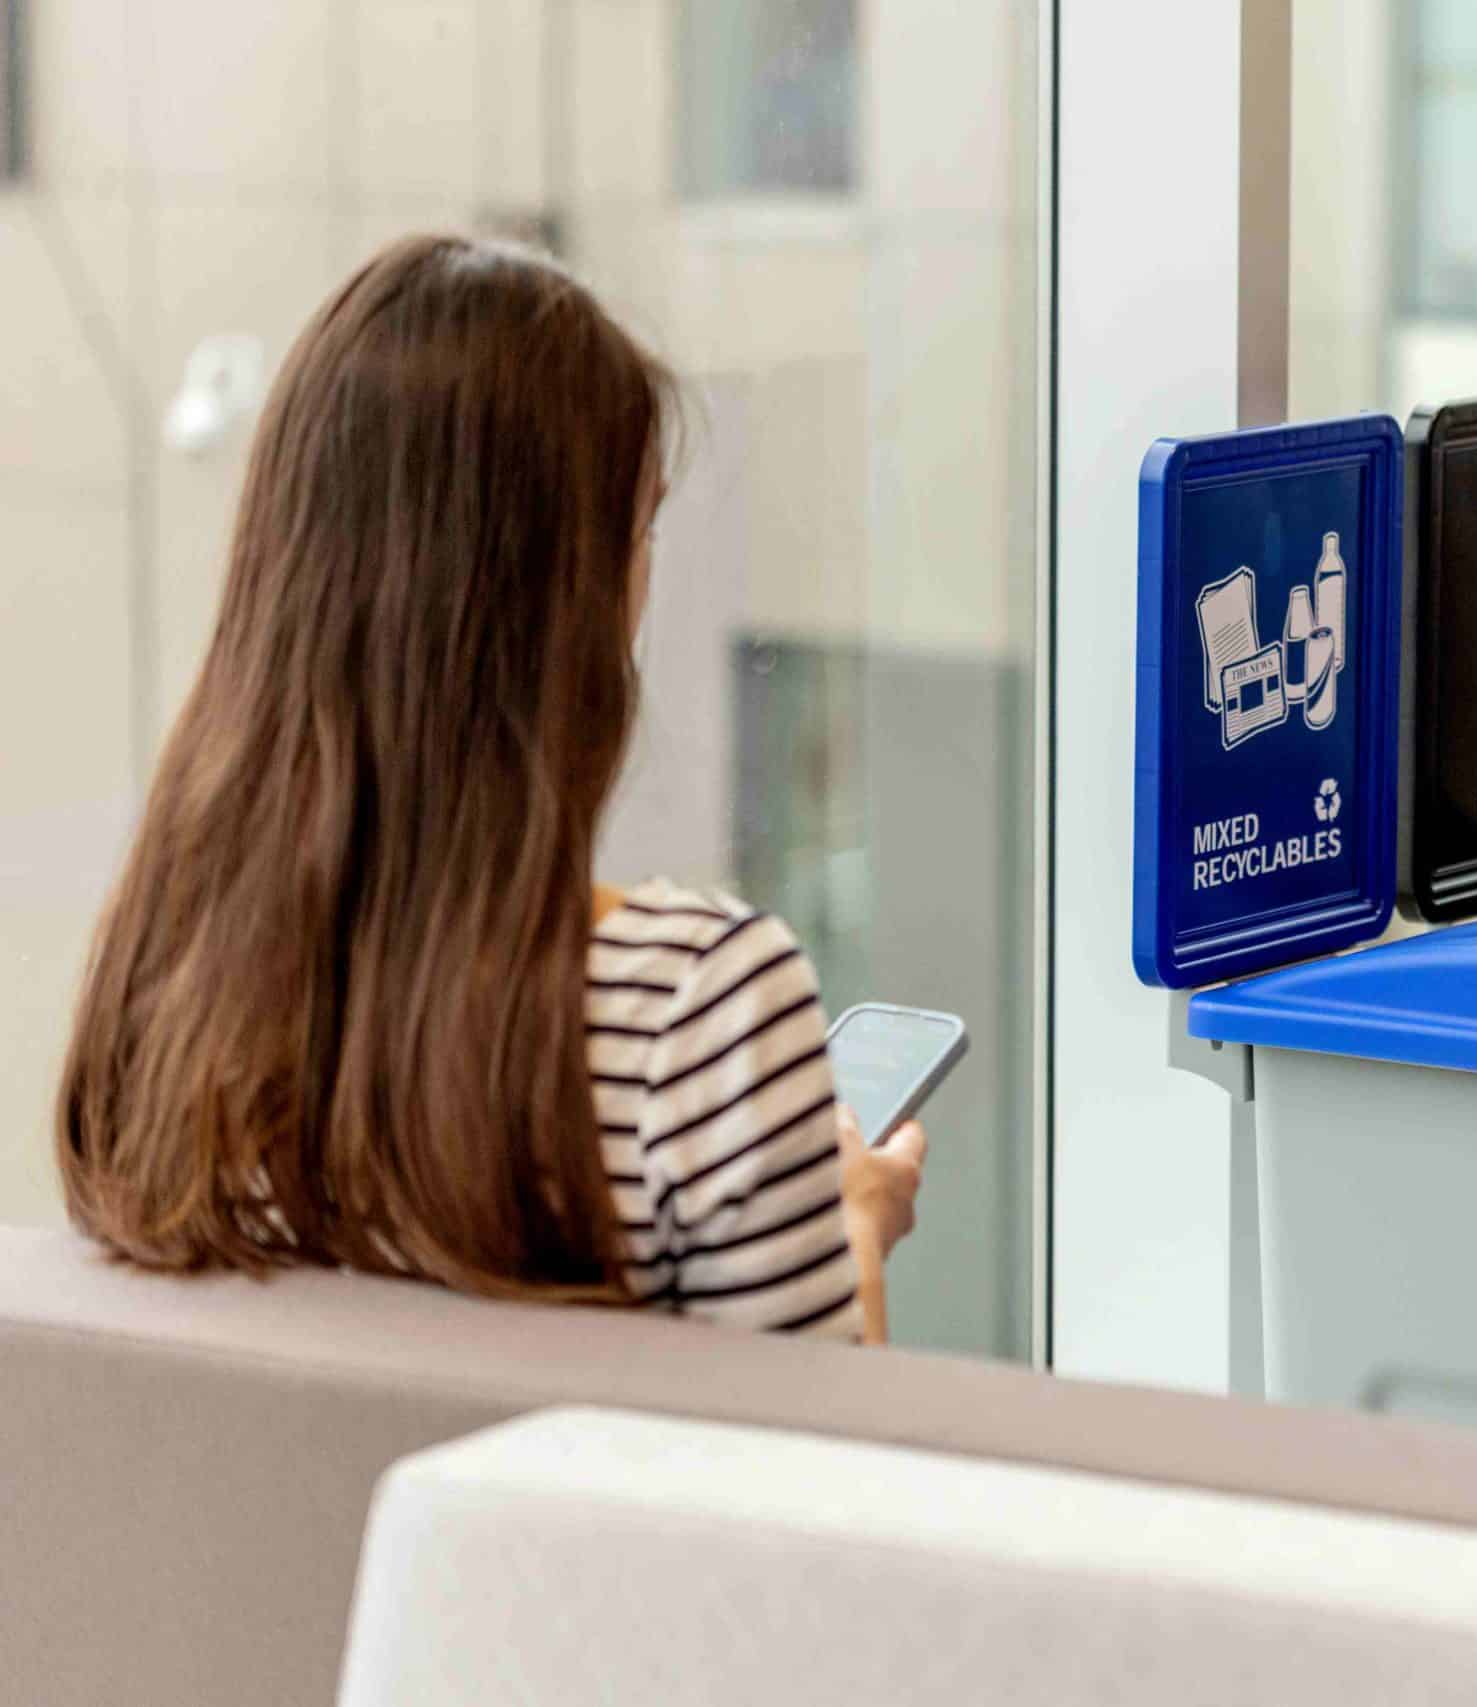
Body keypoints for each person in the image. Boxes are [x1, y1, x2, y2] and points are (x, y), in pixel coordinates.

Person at [55, 235, 924, 1344]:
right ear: (560, 597)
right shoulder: (699, 1007)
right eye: (639, 526)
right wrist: (855, 1226)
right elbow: (809, 1480)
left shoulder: (166, 977)